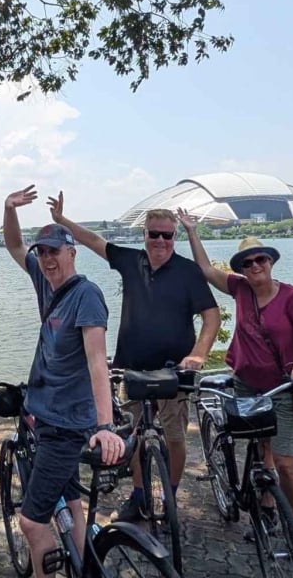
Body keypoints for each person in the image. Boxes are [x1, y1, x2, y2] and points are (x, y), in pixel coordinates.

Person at [2, 186, 125, 578]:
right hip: (46, 414)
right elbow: (13, 246)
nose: (47, 259)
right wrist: (8, 209)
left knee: (32, 521)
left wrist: (105, 425)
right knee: (71, 502)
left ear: (72, 252)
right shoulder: (45, 283)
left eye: (55, 251)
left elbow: (98, 362)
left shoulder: (86, 296)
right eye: (43, 253)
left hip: (66, 426)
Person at [46, 195, 220, 522]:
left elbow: (212, 316)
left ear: (174, 237)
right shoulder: (130, 260)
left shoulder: (188, 271)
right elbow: (94, 241)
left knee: (175, 437)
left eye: (167, 235)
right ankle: (140, 496)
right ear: (145, 235)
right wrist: (62, 219)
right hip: (132, 370)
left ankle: (170, 492)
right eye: (154, 233)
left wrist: (198, 354)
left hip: (173, 374)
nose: (160, 240)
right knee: (135, 437)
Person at [177, 212, 293, 514]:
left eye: (261, 259)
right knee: (258, 447)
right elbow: (204, 268)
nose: (255, 266)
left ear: (270, 262)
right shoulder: (240, 288)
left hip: (284, 387)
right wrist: (192, 231)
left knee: (285, 461)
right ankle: (266, 503)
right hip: (246, 384)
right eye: (248, 262)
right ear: (242, 269)